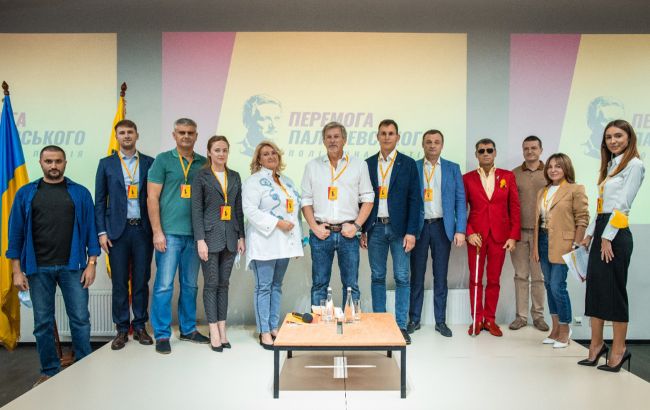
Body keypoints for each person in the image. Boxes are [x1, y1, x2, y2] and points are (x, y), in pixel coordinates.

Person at [8, 145, 100, 386]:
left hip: (73, 267)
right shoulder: (26, 193)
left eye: (58, 161)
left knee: (80, 319)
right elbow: (15, 234)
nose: (54, 166)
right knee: (43, 323)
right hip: (38, 268)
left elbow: (91, 230)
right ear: (40, 163)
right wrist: (17, 271)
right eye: (48, 161)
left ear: (65, 163)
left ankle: (84, 366)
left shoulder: (80, 193)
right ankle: (49, 371)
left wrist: (92, 263)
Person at [579, 119, 644, 372]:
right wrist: (590, 235)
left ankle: (619, 349)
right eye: (609, 137)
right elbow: (601, 207)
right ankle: (596, 346)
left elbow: (623, 206)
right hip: (602, 229)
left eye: (618, 136)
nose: (613, 141)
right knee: (595, 289)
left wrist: (607, 237)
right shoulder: (610, 166)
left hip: (616, 232)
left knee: (614, 292)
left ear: (629, 138)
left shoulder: (635, 165)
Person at [148, 118, 209, 354]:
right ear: (174, 135)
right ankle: (162, 334)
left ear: (196, 136)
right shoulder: (163, 160)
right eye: (181, 132)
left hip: (195, 235)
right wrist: (157, 232)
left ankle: (188, 329)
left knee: (190, 285)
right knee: (164, 286)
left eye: (190, 133)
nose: (186, 136)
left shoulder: (203, 163)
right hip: (169, 234)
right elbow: (152, 198)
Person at [94, 119, 155, 350]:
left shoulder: (149, 162)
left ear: (137, 135)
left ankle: (139, 326)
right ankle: (121, 329)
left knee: (141, 280)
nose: (126, 136)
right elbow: (100, 201)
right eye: (122, 132)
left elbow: (155, 198)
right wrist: (102, 232)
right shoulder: (106, 164)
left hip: (143, 230)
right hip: (116, 233)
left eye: (130, 132)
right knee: (119, 282)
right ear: (117, 136)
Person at [301, 121, 374, 308]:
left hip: (348, 234)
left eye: (336, 137)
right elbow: (306, 200)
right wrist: (314, 227)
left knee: (351, 286)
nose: (332, 140)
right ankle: (320, 324)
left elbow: (368, 198)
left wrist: (356, 226)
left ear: (344, 140)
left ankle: (350, 323)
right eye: (329, 137)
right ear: (324, 141)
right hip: (321, 233)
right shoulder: (312, 166)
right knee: (319, 285)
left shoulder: (359, 165)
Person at [362, 119, 421, 344]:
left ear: (397, 137)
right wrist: (363, 229)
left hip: (401, 230)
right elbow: (361, 199)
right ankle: (379, 325)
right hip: (375, 227)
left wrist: (411, 232)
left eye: (391, 133)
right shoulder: (367, 164)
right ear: (377, 136)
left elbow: (415, 200)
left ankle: (400, 326)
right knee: (377, 277)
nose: (387, 137)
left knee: (402, 277)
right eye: (383, 133)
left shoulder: (408, 164)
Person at [243, 140, 303, 349]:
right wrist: (277, 223)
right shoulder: (253, 182)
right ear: (259, 159)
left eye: (274, 153)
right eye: (266, 154)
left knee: (277, 286)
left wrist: (296, 244)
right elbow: (250, 211)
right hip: (264, 243)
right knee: (264, 287)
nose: (271, 156)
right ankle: (264, 331)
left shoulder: (287, 181)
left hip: (284, 244)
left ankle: (273, 326)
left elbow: (294, 213)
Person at [408, 129, 466, 337]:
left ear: (442, 145)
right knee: (417, 276)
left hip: (443, 227)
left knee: (440, 276)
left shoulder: (452, 168)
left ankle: (440, 321)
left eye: (436, 142)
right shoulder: (414, 167)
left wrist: (460, 229)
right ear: (423, 145)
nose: (432, 145)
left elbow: (460, 200)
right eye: (428, 142)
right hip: (419, 228)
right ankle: (414, 319)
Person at [191, 136, 245, 352]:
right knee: (211, 284)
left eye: (224, 150)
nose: (221, 154)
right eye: (217, 150)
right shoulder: (201, 176)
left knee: (224, 284)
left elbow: (238, 208)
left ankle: (223, 329)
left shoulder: (235, 176)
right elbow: (196, 210)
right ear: (209, 152)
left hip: (231, 237)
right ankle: (212, 330)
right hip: (209, 238)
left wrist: (241, 236)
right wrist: (200, 240)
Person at [464, 138, 520, 337]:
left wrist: (513, 236)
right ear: (476, 155)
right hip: (476, 237)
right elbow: (460, 208)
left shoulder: (507, 176)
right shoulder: (467, 178)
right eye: (481, 151)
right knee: (475, 279)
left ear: (495, 153)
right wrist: (469, 232)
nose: (486, 154)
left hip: (500, 236)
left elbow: (514, 207)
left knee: (494, 280)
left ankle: (490, 319)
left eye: (489, 150)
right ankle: (477, 319)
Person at [533, 153, 588, 348]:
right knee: (548, 285)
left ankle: (565, 329)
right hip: (543, 240)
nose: (553, 170)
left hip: (564, 243)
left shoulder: (575, 189)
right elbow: (538, 221)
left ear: (566, 168)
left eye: (558, 166)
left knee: (558, 286)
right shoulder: (543, 191)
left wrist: (576, 243)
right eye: (550, 166)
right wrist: (535, 247)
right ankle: (555, 329)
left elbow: (582, 218)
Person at [509, 136, 549, 332]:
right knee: (521, 275)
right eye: (526, 148)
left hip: (542, 233)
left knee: (539, 276)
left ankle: (538, 316)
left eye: (534, 148)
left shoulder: (550, 172)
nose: (530, 151)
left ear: (541, 150)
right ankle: (521, 317)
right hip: (518, 233)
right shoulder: (514, 174)